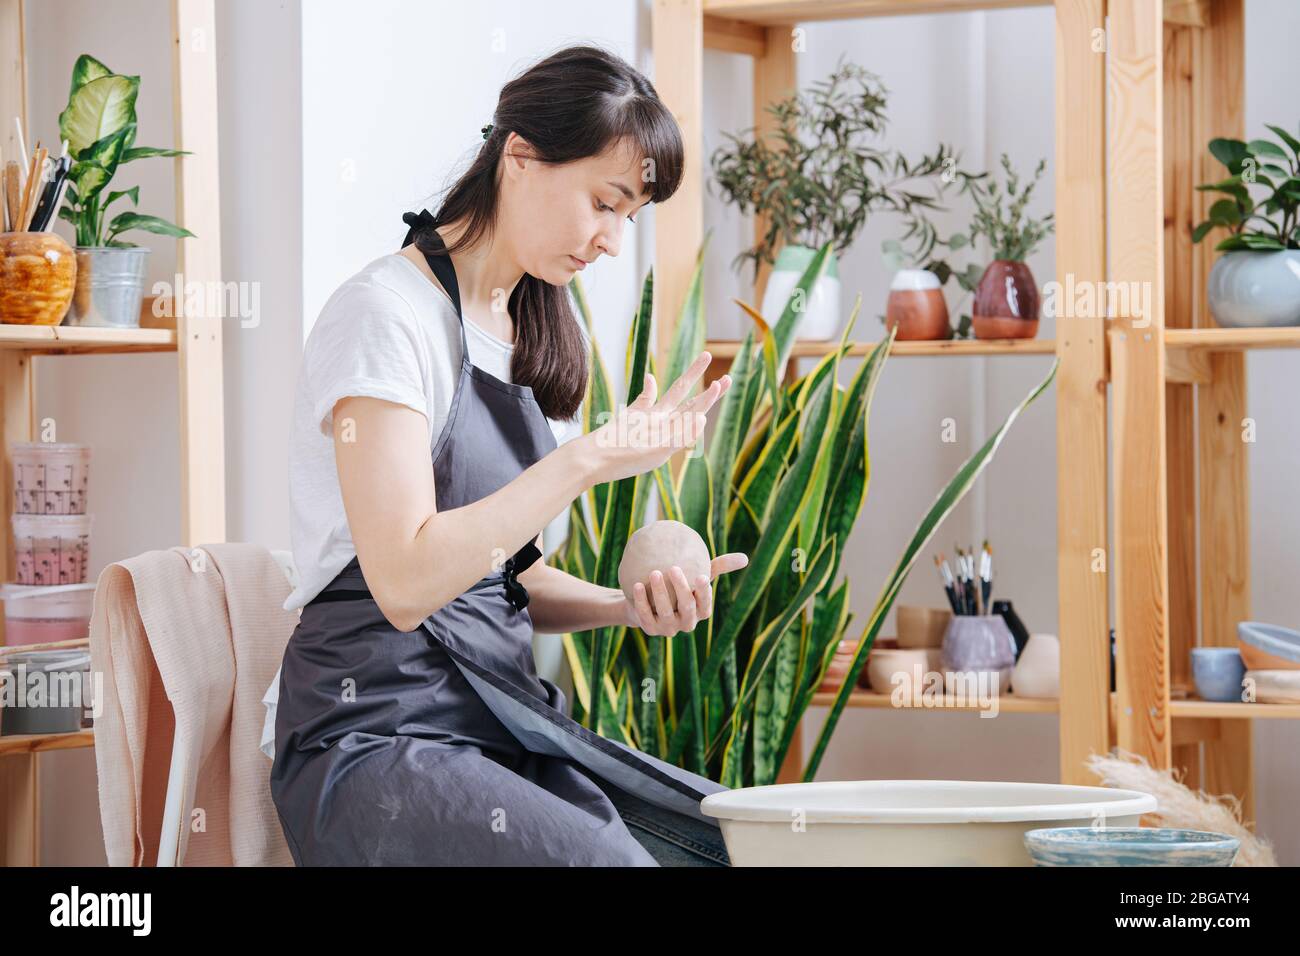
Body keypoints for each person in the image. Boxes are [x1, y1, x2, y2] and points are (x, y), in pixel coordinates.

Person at [269, 44, 748, 866]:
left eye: (629, 217)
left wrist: (623, 606)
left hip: (498, 718)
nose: (610, 241)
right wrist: (588, 459)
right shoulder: (386, 314)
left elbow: (501, 580)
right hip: (375, 737)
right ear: (520, 155)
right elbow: (408, 582)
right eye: (605, 202)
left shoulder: (519, 332)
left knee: (727, 845)